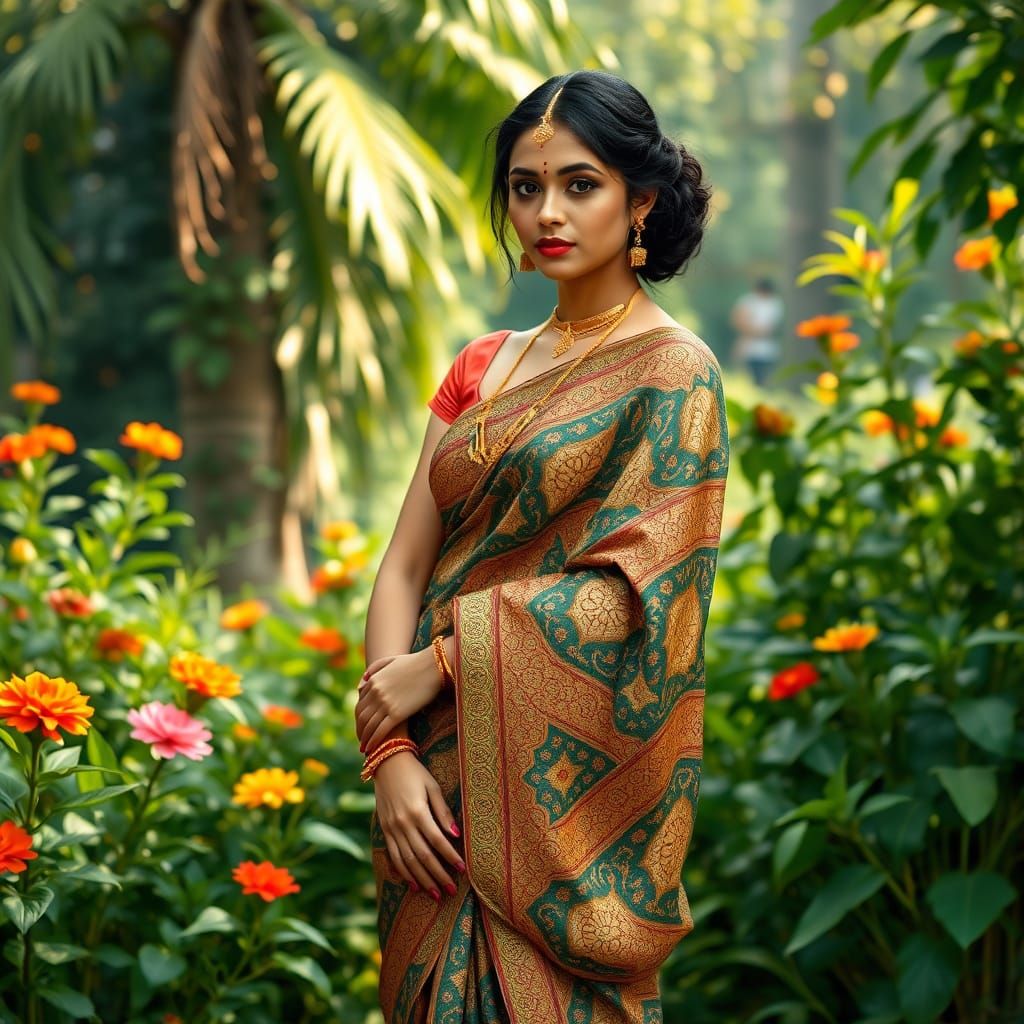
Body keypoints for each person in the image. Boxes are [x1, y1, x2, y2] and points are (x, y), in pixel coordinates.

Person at [355, 69, 729, 1023]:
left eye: (580, 183)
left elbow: (643, 605)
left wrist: (440, 660)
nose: (546, 212)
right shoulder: (483, 366)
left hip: (564, 814)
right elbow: (403, 566)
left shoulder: (676, 374)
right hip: (431, 800)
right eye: (526, 187)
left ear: (639, 200)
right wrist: (388, 751)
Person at [729, 277, 783, 386]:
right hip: (750, 348)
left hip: (767, 349)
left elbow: (772, 328)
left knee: (763, 378)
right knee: (750, 378)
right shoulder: (749, 301)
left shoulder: (775, 304)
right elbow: (738, 320)